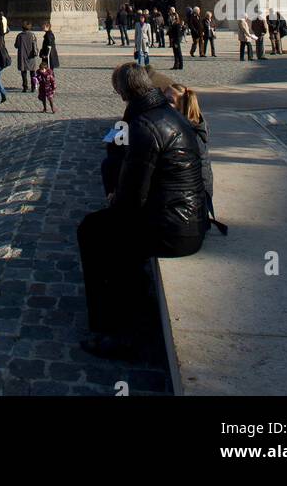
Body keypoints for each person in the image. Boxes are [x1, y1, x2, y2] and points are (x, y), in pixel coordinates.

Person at [76, 64, 207, 359]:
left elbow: (133, 197)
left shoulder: (145, 126)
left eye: (118, 92)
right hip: (187, 218)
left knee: (96, 233)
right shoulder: (164, 114)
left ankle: (119, 332)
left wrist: (113, 200)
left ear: (124, 92)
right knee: (99, 228)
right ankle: (114, 318)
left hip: (173, 229)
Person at [168, 84, 228, 236]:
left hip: (193, 205)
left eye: (169, 100)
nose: (162, 103)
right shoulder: (189, 127)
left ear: (181, 108)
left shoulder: (187, 135)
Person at [14, 21, 39, 93]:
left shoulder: (19, 35)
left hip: (22, 56)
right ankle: (33, 87)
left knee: (23, 72)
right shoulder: (32, 35)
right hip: (31, 56)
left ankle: (25, 87)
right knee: (32, 72)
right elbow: (35, 45)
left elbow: (16, 45)